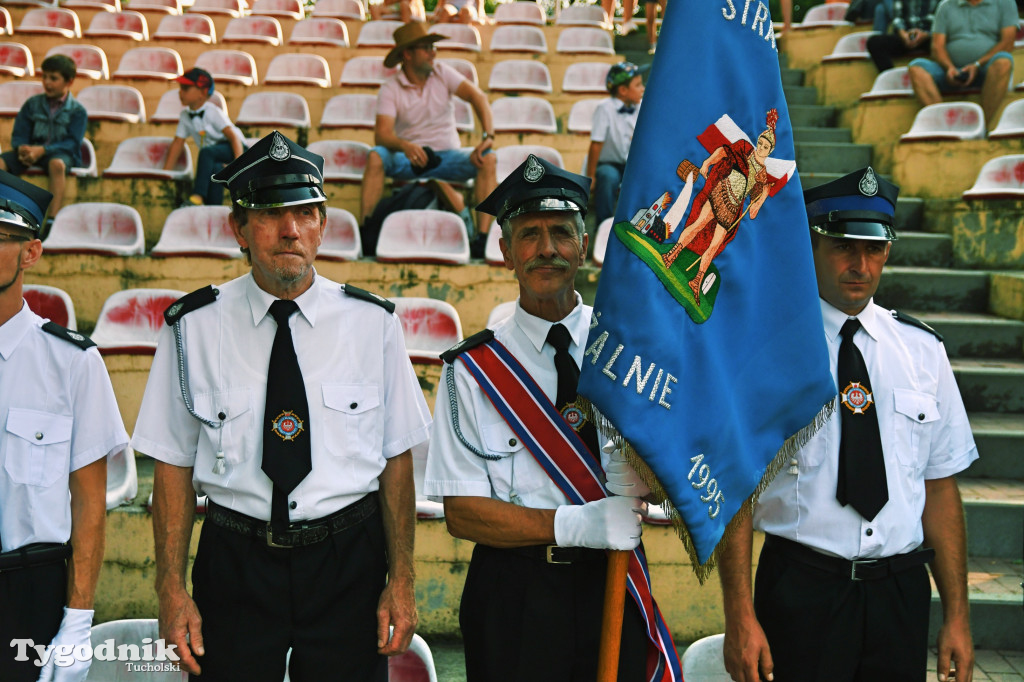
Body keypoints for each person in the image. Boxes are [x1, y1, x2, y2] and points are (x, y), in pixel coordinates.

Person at [132, 131, 432, 681]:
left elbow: (396, 459)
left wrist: (402, 579)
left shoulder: (374, 325)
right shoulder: (192, 329)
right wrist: (170, 588)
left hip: (348, 561)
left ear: (323, 225)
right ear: (239, 229)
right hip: (235, 560)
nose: (289, 229)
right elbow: (171, 467)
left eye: (303, 213)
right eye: (269, 213)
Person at [717, 167, 977, 682]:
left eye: (874, 249)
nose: (860, 265)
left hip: (899, 594)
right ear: (811, 245)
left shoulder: (922, 352)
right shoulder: (765, 351)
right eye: (843, 247)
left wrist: (957, 617)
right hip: (802, 588)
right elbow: (735, 492)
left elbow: (940, 486)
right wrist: (739, 616)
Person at [424, 154, 676, 681]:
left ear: (582, 246)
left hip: (613, 580)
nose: (547, 250)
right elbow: (463, 513)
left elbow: (678, 473)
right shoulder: (471, 370)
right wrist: (575, 524)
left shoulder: (631, 353)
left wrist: (654, 476)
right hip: (514, 596)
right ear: (506, 252)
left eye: (561, 232)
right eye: (529, 235)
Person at [0, 170, 129, 682]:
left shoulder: (71, 362)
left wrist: (77, 620)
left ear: (30, 253)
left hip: (28, 589)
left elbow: (90, 503)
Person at [361, 21, 497, 255]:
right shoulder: (391, 88)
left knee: (489, 158)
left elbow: (478, 98)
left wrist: (488, 136)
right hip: (408, 160)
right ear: (407, 54)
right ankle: (367, 235)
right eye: (426, 47)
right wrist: (404, 146)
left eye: (433, 47)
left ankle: (481, 240)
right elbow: (381, 135)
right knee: (376, 156)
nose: (433, 52)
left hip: (449, 157)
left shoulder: (442, 72)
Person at [661, 109, 779, 305]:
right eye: (760, 143)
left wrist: (764, 193)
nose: (761, 147)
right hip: (722, 192)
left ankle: (696, 281)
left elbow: (753, 213)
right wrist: (707, 163)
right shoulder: (744, 149)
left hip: (732, 209)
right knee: (699, 224)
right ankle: (672, 254)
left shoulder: (762, 176)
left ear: (770, 151)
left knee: (714, 245)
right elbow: (723, 151)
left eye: (766, 147)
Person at [0, 55, 86, 235]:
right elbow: (19, 134)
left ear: (69, 81)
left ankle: (51, 221)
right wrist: (22, 148)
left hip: (59, 153)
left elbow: (72, 143)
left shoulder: (78, 111)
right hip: (30, 151)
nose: (47, 82)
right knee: (1, 162)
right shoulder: (32, 104)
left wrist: (43, 150)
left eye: (53, 78)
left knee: (57, 165)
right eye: (44, 77)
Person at [907, 0, 1016, 126]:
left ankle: (981, 125)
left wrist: (977, 65)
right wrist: (949, 68)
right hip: (951, 71)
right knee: (916, 67)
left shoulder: (1005, 3)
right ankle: (944, 127)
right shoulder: (945, 6)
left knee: (1004, 62)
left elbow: (1008, 42)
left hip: (986, 70)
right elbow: (937, 47)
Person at [162, 68, 245, 207]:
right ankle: (212, 208)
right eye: (180, 88)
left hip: (235, 150)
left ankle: (197, 196)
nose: (180, 92)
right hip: (215, 156)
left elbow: (234, 137)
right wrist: (165, 174)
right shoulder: (185, 116)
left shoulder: (212, 111)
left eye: (186, 88)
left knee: (206, 152)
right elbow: (178, 143)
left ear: (203, 92)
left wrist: (238, 167)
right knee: (216, 172)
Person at [587, 62, 646, 229]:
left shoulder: (641, 107)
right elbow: (596, 144)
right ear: (623, 91)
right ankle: (603, 227)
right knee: (607, 177)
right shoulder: (605, 109)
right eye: (638, 84)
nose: (642, 88)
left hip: (631, 164)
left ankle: (638, 228)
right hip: (609, 163)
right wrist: (591, 176)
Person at [867, 0, 938, 73]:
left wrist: (926, 34)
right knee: (874, 42)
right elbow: (897, 18)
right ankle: (891, 78)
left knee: (944, 43)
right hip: (905, 35)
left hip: (930, 36)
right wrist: (903, 34)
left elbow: (941, 22)